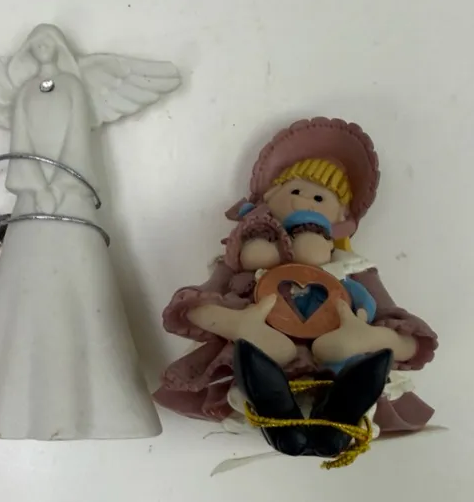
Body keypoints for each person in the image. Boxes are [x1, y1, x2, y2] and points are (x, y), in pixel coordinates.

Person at [153, 117, 437, 457]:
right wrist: (234, 324)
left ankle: (338, 418)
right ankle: (276, 416)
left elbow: (408, 337)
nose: (304, 202)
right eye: (295, 191)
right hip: (262, 349)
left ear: (340, 218)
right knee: (258, 364)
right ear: (269, 199)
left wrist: (371, 338)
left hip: (334, 356)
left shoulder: (353, 269)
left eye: (319, 197)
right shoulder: (239, 263)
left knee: (350, 367)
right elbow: (191, 307)